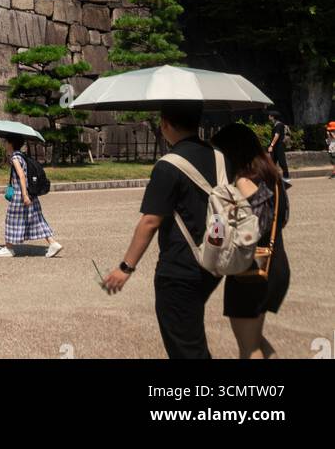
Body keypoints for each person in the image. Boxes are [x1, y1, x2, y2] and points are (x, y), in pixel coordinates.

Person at [103, 102, 220, 359]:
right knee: (190, 337)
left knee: (186, 348)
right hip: (213, 260)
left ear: (165, 123)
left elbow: (150, 221)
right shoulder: (219, 157)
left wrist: (125, 268)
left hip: (180, 267)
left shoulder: (169, 166)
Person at [212, 122, 290, 359]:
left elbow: (256, 226)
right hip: (275, 263)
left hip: (252, 270)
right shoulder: (273, 178)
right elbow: (281, 218)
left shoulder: (244, 181)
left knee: (249, 348)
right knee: (256, 341)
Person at [0, 136, 62, 259]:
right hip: (30, 193)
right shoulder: (22, 155)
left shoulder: (15, 157)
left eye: (6, 141)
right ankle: (53, 243)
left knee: (11, 220)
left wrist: (24, 195)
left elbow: (21, 176)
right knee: (37, 219)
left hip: (21, 194)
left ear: (11, 143)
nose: (4, 144)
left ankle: (9, 248)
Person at [266, 111, 290, 183]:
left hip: (279, 146)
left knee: (282, 161)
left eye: (269, 115)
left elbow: (277, 136)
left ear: (273, 116)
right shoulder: (275, 124)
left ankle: (286, 177)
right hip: (276, 147)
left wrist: (271, 145)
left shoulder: (279, 125)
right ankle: (272, 177)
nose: (268, 116)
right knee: (273, 162)